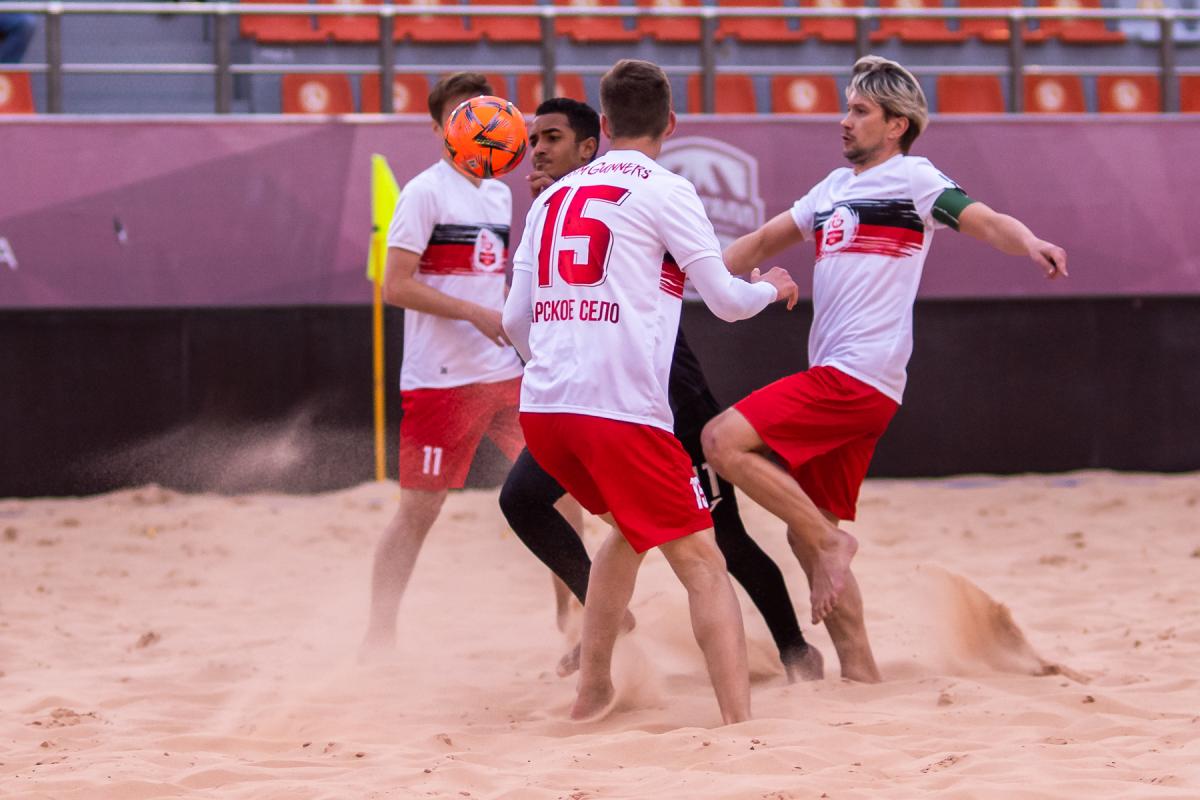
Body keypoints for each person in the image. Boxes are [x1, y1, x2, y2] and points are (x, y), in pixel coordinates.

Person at [702, 55, 1068, 683]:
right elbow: (759, 243)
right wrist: (691, 272)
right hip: (850, 377)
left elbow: (985, 220)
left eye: (860, 111)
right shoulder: (831, 189)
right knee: (805, 535)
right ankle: (862, 674)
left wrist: (1029, 241)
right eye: (846, 108)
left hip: (858, 376)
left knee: (721, 442)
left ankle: (832, 543)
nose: (844, 121)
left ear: (897, 124)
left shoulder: (915, 179)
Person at [503, 59, 799, 724]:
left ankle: (593, 691)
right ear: (672, 123)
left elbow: (514, 321)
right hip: (617, 410)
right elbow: (726, 302)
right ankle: (740, 728)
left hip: (544, 410)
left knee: (627, 536)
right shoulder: (667, 190)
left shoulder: (551, 197)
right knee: (704, 563)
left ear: (604, 126)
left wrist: (557, 365)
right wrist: (770, 288)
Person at [362, 73, 526, 654]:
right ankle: (379, 635)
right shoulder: (424, 192)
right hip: (441, 381)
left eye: (485, 113)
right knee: (419, 511)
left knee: (559, 489)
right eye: (462, 117)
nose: (477, 127)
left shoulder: (499, 192)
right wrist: (473, 314)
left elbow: (488, 278)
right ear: (439, 129)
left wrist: (511, 319)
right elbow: (395, 286)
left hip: (503, 373)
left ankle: (573, 621)